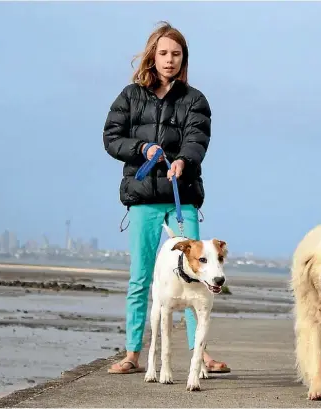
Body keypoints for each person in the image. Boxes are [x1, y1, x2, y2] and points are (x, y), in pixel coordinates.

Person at [102, 21, 230, 375]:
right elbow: (111, 137)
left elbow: (197, 139)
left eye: (176, 54)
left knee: (196, 275)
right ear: (152, 56)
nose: (169, 60)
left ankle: (198, 354)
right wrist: (142, 148)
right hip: (142, 197)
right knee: (141, 276)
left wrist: (183, 161)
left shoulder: (195, 100)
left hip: (180, 196)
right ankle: (132, 353)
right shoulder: (130, 96)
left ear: (183, 59)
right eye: (163, 53)